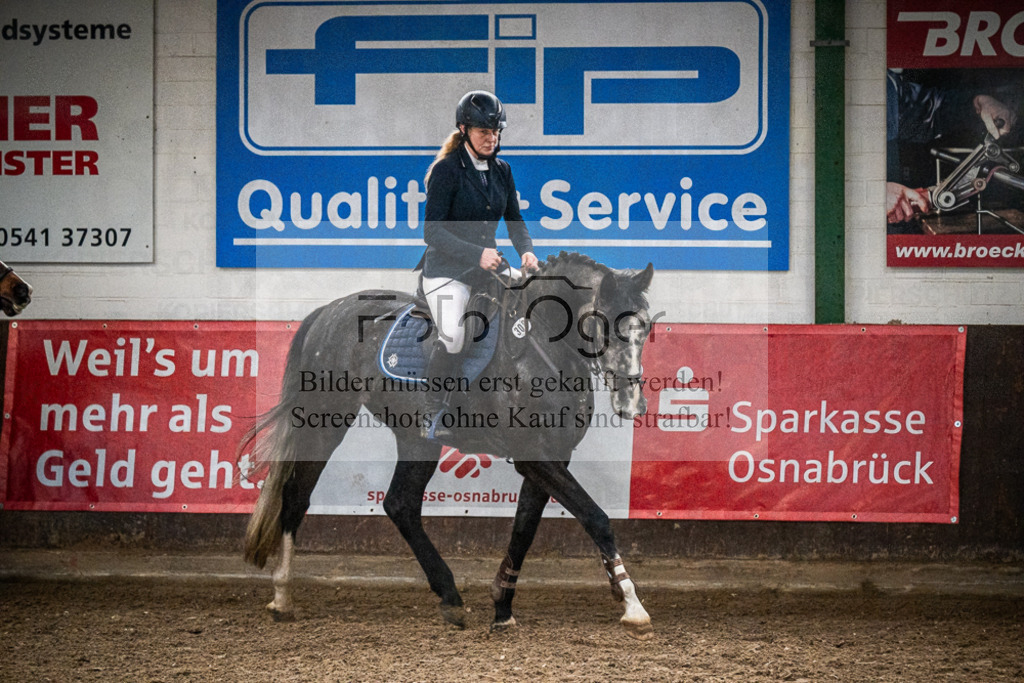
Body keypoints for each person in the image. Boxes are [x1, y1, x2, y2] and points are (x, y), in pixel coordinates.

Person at [415, 90, 540, 440]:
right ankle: (433, 408)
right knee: (454, 336)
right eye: (484, 131)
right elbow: (432, 231)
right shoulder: (447, 170)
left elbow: (515, 221)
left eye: (496, 131)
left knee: (532, 304)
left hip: (488, 266)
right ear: (464, 129)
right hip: (446, 272)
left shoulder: (503, 170)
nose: (491, 138)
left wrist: (526, 251)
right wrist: (476, 255)